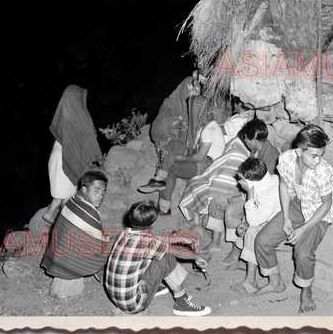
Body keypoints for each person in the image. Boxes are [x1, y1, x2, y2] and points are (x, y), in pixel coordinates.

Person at [253, 124, 333, 315]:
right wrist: (286, 219)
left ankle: (306, 294)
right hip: (295, 205)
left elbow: (326, 205)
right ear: (299, 151)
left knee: (303, 253)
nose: (318, 160)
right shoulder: (286, 159)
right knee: (262, 241)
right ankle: (275, 282)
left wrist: (302, 229)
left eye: (321, 154)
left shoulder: (323, 171)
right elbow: (283, 186)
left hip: (318, 213)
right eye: (314, 155)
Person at [105, 199, 211, 316]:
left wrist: (179, 239)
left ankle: (153, 287)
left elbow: (154, 236)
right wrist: (197, 257)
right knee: (165, 257)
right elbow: (174, 251)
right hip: (134, 304)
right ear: (153, 223)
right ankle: (182, 303)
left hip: (116, 296)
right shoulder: (147, 243)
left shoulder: (126, 233)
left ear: (131, 218)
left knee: (156, 254)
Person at [202, 119, 280, 257]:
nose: (245, 142)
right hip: (248, 195)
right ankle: (216, 243)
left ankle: (236, 250)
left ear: (253, 139)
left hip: (259, 200)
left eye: (246, 140)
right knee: (217, 201)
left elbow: (267, 192)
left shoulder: (272, 158)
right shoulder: (255, 151)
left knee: (232, 210)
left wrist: (244, 198)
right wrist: (240, 195)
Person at [139, 95, 225, 215]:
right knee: (174, 145)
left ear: (198, 111)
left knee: (171, 169)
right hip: (200, 155)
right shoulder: (205, 120)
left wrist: (182, 158)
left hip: (204, 165)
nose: (191, 113)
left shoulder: (210, 130)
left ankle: (164, 207)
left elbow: (199, 157)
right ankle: (159, 178)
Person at [43, 85, 103, 224]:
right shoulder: (79, 115)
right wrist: (96, 155)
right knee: (67, 194)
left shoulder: (66, 114)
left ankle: (56, 216)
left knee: (67, 193)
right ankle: (62, 220)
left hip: (61, 157)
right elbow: (88, 136)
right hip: (64, 159)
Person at [41, 170, 110, 280]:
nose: (100, 196)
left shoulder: (74, 199)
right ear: (84, 189)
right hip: (69, 266)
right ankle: (95, 270)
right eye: (96, 191)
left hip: (55, 260)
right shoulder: (89, 211)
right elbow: (101, 241)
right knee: (108, 248)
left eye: (103, 192)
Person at [228, 158, 280, 294]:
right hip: (266, 218)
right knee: (246, 225)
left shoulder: (268, 195)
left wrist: (249, 193)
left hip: (277, 224)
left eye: (242, 179)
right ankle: (243, 260)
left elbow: (254, 221)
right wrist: (244, 221)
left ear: (249, 182)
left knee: (251, 231)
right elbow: (255, 213)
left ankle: (251, 279)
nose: (239, 181)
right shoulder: (268, 180)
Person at [150, 74, 201, 149]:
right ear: (183, 89)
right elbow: (158, 126)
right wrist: (174, 123)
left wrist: (184, 126)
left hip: (182, 140)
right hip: (165, 137)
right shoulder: (170, 102)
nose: (190, 94)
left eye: (193, 92)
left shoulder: (193, 106)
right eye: (188, 91)